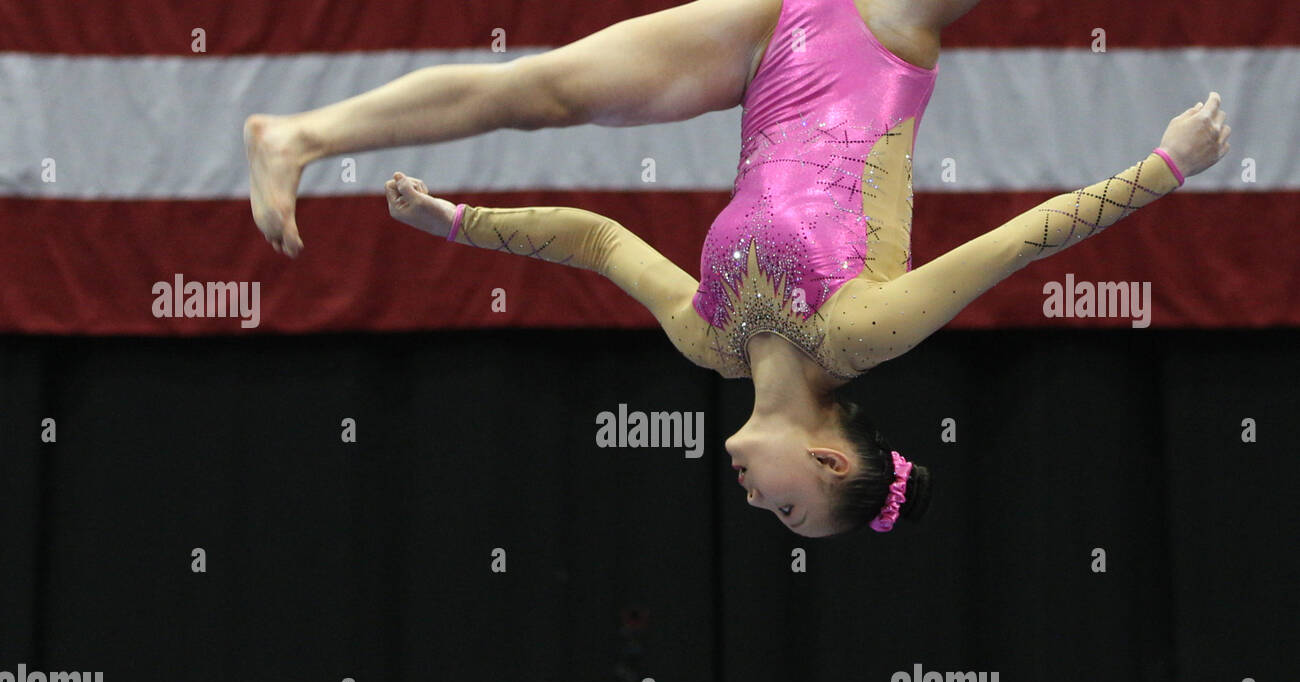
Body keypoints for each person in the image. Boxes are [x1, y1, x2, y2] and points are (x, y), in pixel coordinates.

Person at [245, 0, 1230, 537]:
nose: (756, 500)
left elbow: (590, 240)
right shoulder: (861, 331)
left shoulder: (710, 339)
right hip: (873, 34)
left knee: (542, 90)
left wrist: (453, 220)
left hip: (768, 44)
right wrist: (1168, 167)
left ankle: (299, 134)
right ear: (833, 457)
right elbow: (1025, 238)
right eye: (787, 504)